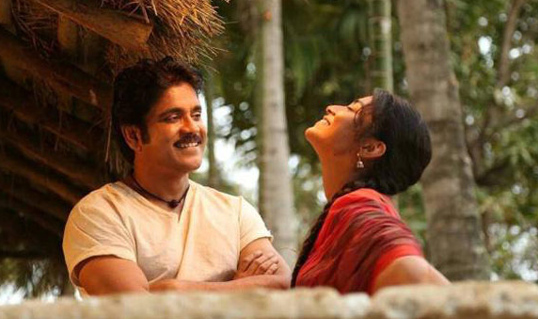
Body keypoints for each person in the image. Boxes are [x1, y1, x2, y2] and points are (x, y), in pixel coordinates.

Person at [63, 58, 290, 295]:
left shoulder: (236, 212)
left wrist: (173, 288)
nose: (192, 128)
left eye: (196, 114)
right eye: (173, 117)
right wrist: (239, 289)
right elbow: (136, 307)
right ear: (133, 136)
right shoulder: (99, 213)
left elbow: (281, 283)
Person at [291, 89, 449, 294]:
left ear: (370, 148)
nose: (331, 108)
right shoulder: (355, 207)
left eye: (352, 109)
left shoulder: (357, 205)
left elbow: (414, 273)